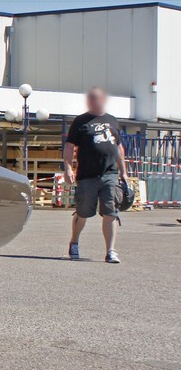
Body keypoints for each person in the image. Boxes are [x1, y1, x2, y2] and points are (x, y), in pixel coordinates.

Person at [64, 87, 129, 263]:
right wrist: (68, 168)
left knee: (111, 211)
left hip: (110, 174)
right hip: (87, 176)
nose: (94, 101)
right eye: (91, 98)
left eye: (97, 98)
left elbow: (118, 148)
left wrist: (123, 172)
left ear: (103, 100)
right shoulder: (80, 121)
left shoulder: (112, 120)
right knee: (83, 213)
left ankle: (111, 251)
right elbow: (69, 146)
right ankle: (74, 241)